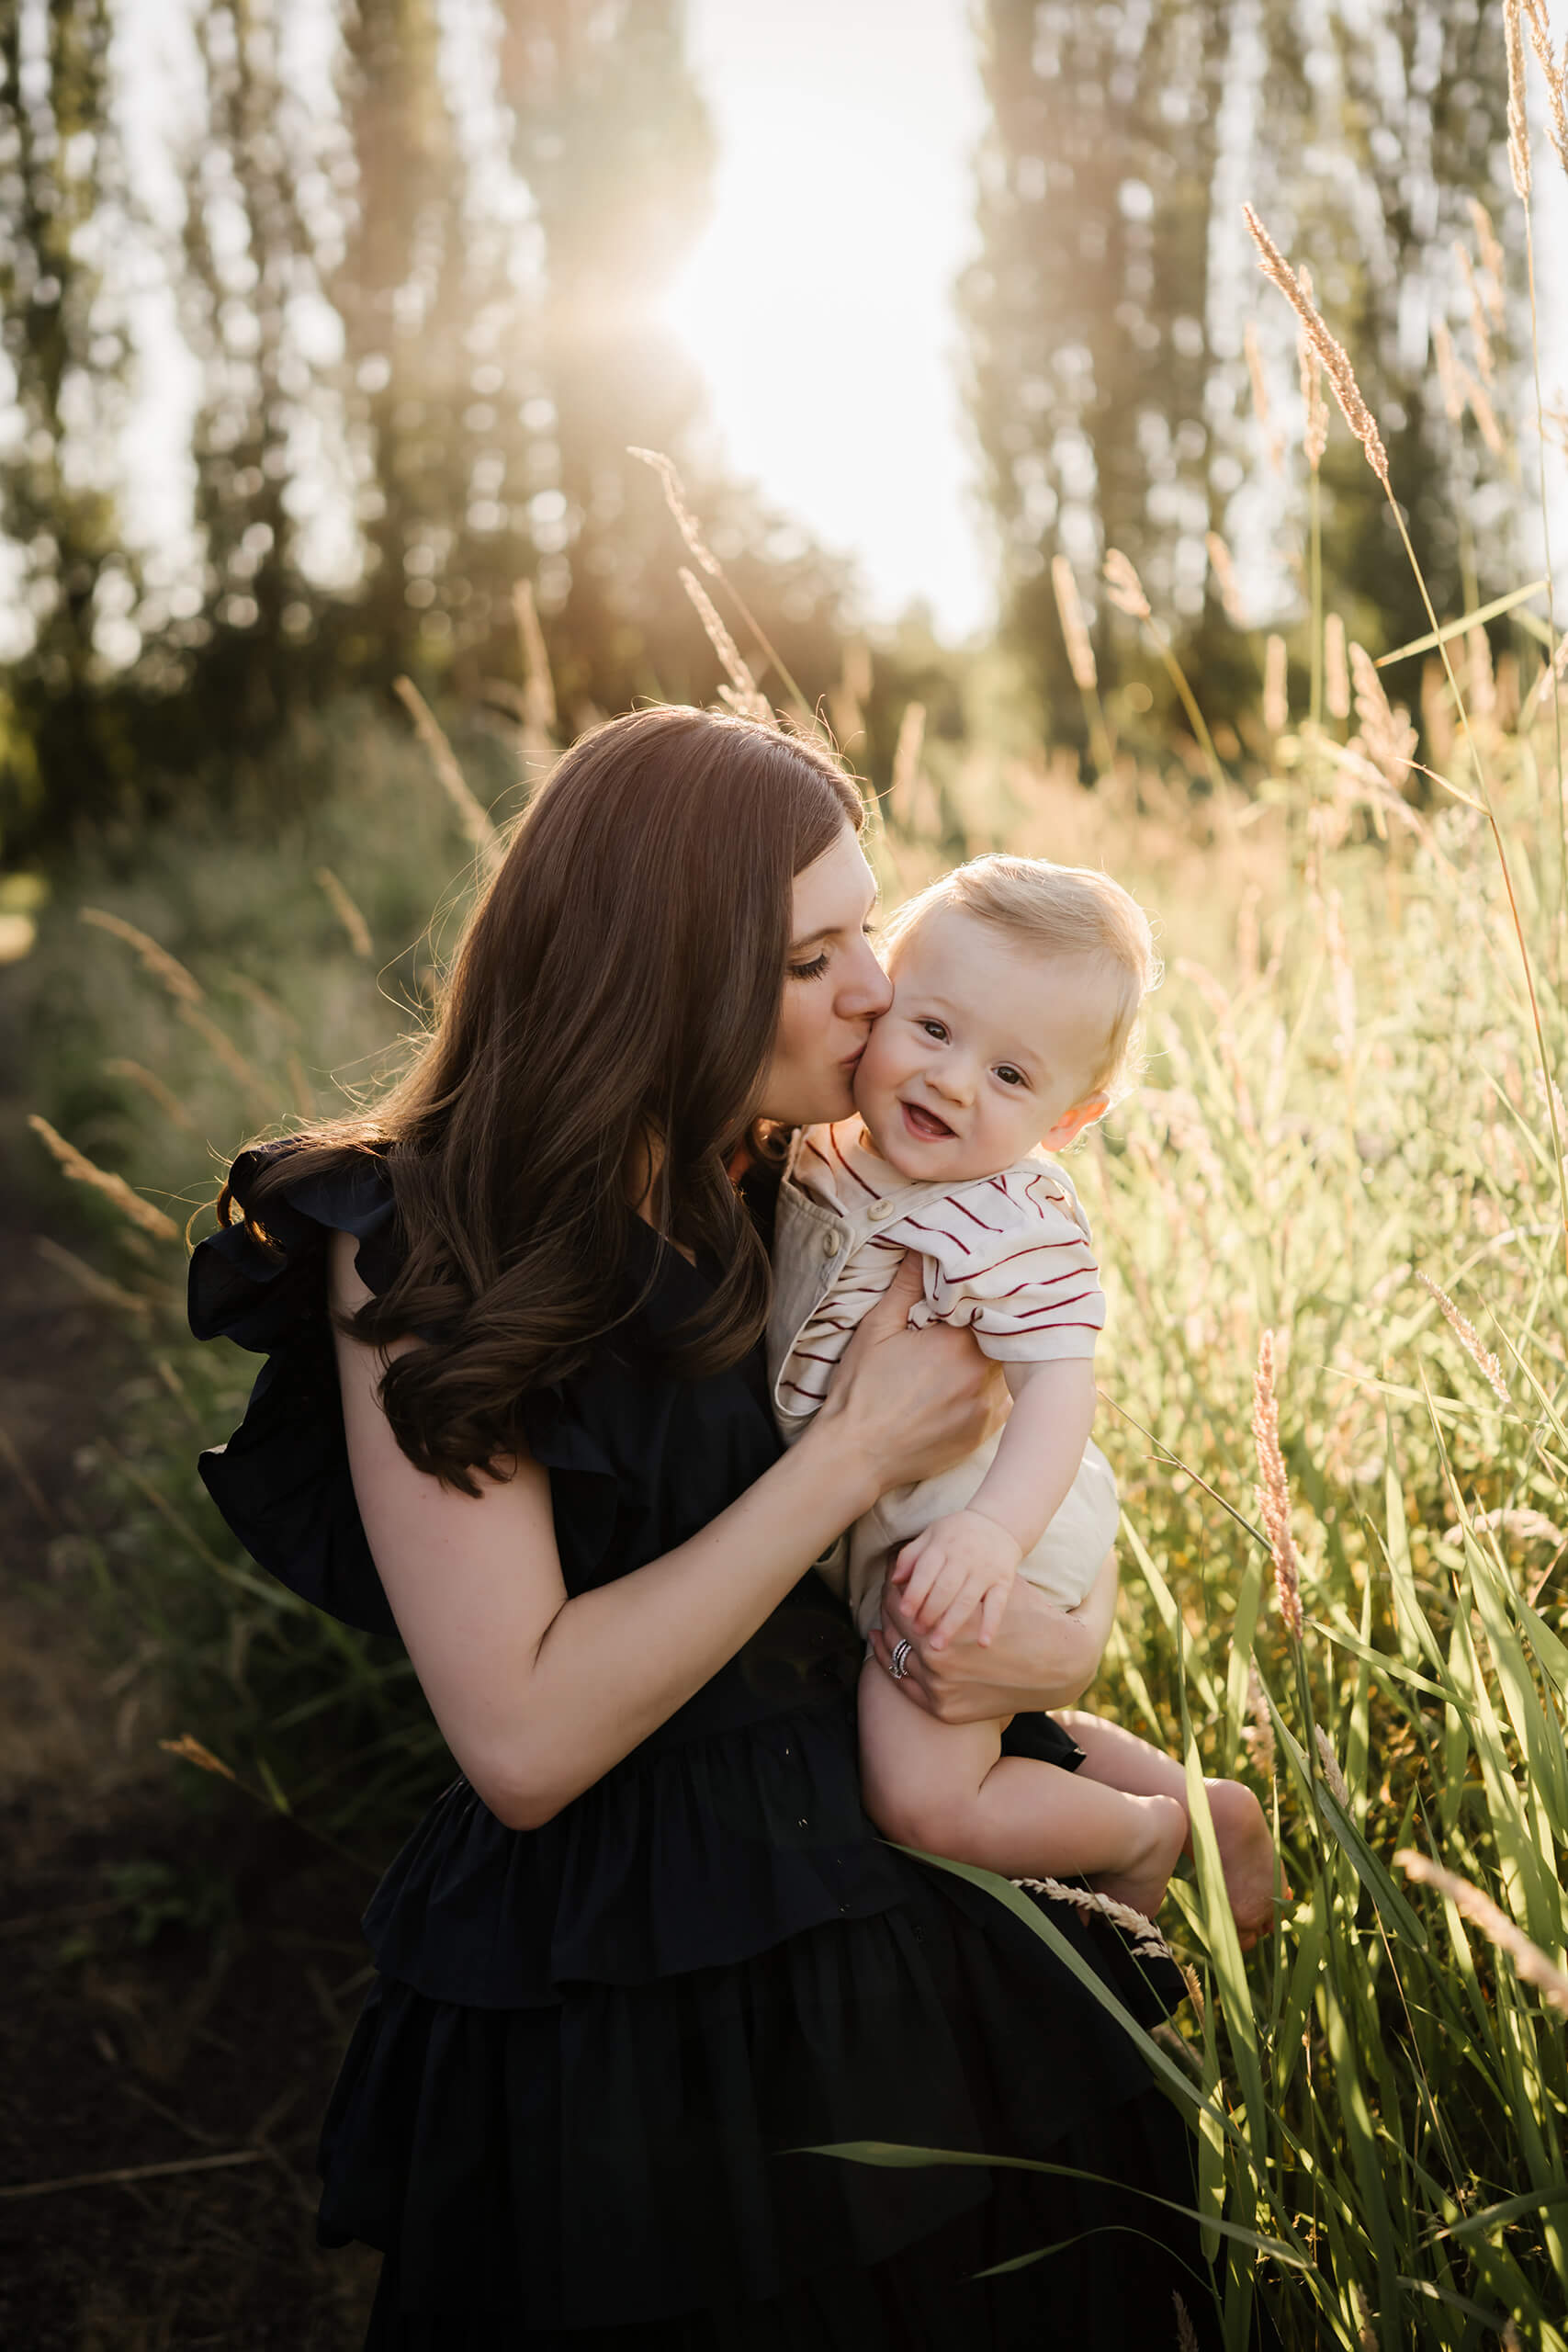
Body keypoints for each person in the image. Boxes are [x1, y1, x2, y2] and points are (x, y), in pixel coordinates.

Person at [187, 705, 1230, 2348]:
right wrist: (840, 1458)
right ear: (666, 966)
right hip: (636, 1966)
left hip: (885, 1882)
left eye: (864, 934)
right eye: (816, 956)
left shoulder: (805, 1175)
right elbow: (521, 1741)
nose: (877, 996)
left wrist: (1053, 1643)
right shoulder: (416, 1239)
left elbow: (985, 1514)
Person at [769, 855, 1280, 1943]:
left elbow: (1060, 1392)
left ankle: (1144, 1837)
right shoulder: (826, 1141)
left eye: (1012, 1076)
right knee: (978, 1725)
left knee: (923, 1793)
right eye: (936, 1029)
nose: (953, 1082)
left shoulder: (1021, 1220)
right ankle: (1205, 1808)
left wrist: (996, 1535)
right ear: (882, 995)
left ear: (1069, 1119)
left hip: (984, 1513)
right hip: (894, 1511)